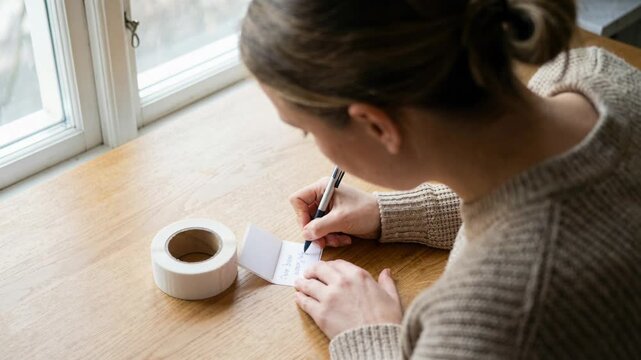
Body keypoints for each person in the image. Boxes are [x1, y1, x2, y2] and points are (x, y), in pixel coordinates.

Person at [240, 0, 641, 358]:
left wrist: (371, 335)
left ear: (377, 126)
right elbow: (558, 187)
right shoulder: (597, 74)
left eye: (306, 130)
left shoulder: (492, 320)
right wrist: (389, 213)